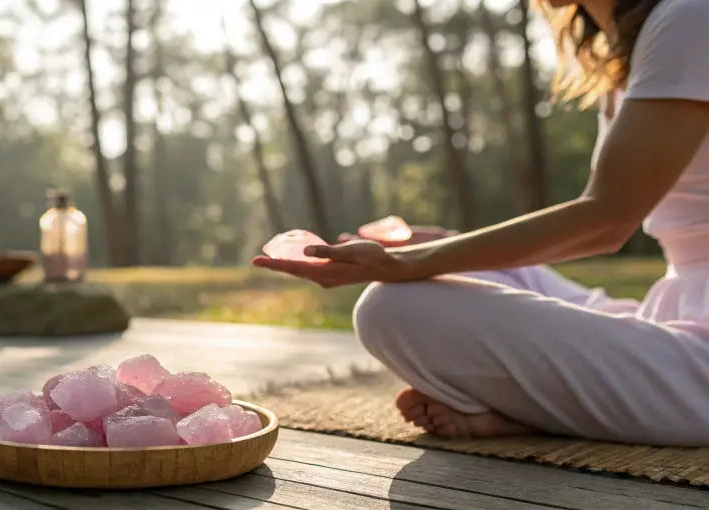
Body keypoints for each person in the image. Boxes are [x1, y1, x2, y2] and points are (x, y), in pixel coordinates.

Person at [253, 0, 709, 446]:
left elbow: (608, 218)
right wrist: (448, 251)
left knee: (391, 310)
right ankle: (546, 408)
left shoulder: (688, 17)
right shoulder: (629, 49)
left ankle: (541, 412)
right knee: (454, 272)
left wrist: (409, 262)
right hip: (673, 311)